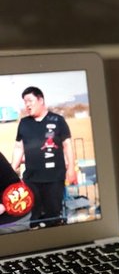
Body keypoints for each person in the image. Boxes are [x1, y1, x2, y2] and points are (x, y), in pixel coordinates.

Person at [11, 86, 77, 227]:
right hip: (31, 179)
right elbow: (18, 148)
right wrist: (12, 170)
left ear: (40, 100)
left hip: (54, 179)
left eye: (30, 101)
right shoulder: (24, 123)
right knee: (32, 218)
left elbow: (67, 145)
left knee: (52, 218)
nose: (27, 105)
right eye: (25, 102)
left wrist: (71, 169)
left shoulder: (58, 120)